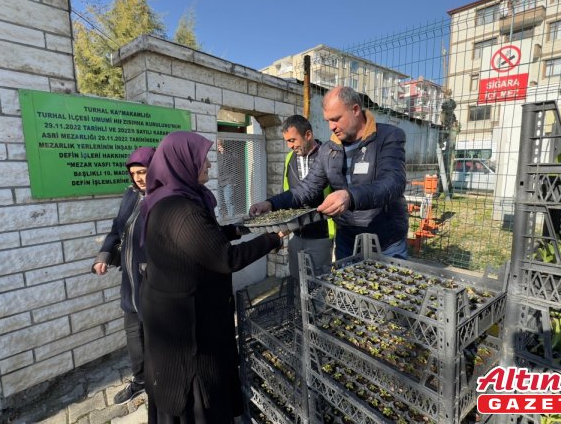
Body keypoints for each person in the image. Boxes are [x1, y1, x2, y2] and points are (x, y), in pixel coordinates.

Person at [140, 131, 286, 423]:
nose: (207, 164)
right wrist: (273, 238)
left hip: (172, 315)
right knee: (198, 394)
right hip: (190, 327)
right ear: (182, 162)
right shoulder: (183, 210)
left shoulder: (166, 200)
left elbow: (200, 242)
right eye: (200, 158)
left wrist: (238, 229)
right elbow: (224, 258)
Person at [250, 86, 409, 260]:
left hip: (386, 238)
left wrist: (350, 197)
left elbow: (393, 182)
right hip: (347, 238)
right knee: (345, 286)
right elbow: (307, 188)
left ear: (355, 110)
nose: (331, 127)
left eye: (336, 119)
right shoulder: (328, 149)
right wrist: (271, 204)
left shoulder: (387, 136)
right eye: (328, 120)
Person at [92, 146, 155, 405]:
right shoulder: (130, 195)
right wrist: (104, 255)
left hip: (154, 280)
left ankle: (160, 382)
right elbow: (116, 229)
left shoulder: (164, 197)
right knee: (133, 334)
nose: (139, 178)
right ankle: (140, 381)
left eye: (143, 172)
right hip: (130, 279)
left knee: (156, 335)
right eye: (134, 173)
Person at [280, 115, 335, 278]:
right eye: (287, 141)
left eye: (292, 140)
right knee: (297, 282)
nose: (290, 146)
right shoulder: (289, 158)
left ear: (308, 135)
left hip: (321, 234)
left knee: (319, 286)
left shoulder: (328, 155)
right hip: (296, 235)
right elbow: (285, 190)